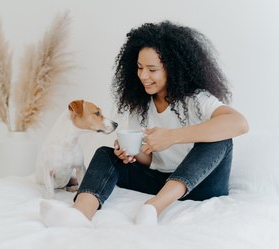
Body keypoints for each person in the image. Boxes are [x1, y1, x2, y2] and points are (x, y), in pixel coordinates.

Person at [40, 20, 249, 227]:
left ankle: (153, 207)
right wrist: (130, 152)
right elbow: (147, 160)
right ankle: (79, 214)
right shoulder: (140, 105)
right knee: (106, 154)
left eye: (152, 69)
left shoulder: (197, 99)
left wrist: (172, 137)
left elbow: (239, 123)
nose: (143, 76)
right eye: (139, 68)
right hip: (160, 181)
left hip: (203, 186)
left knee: (220, 140)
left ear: (173, 69)